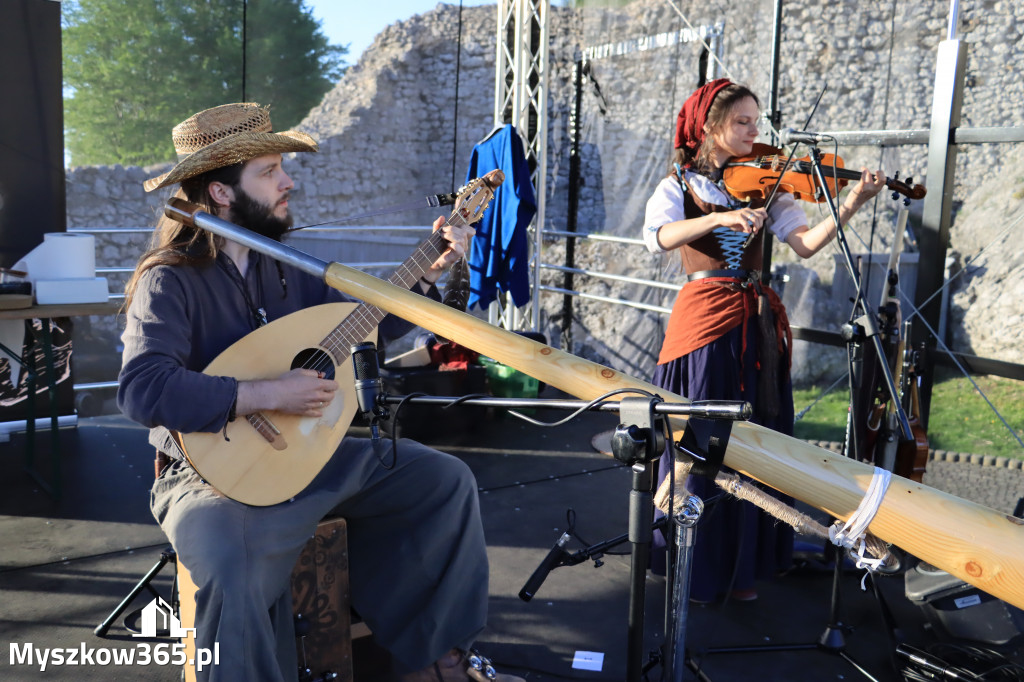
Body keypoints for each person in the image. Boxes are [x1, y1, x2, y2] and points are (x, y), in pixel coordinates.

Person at [118, 103, 523, 682]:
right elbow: (141, 389)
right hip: (206, 475)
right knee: (231, 565)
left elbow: (360, 329)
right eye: (268, 171)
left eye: (282, 167)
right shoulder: (170, 278)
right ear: (221, 193)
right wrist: (264, 393)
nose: (287, 182)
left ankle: (434, 663)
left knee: (441, 482)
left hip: (310, 457)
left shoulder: (288, 266)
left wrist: (429, 269)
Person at [642, 79, 886, 603]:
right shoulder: (679, 186)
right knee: (702, 441)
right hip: (705, 319)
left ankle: (742, 570)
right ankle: (697, 565)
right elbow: (658, 237)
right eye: (743, 122)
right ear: (710, 128)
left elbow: (804, 245)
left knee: (754, 440)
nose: (756, 132)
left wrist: (855, 202)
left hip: (755, 322)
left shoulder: (764, 184)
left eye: (758, 121)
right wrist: (716, 217)